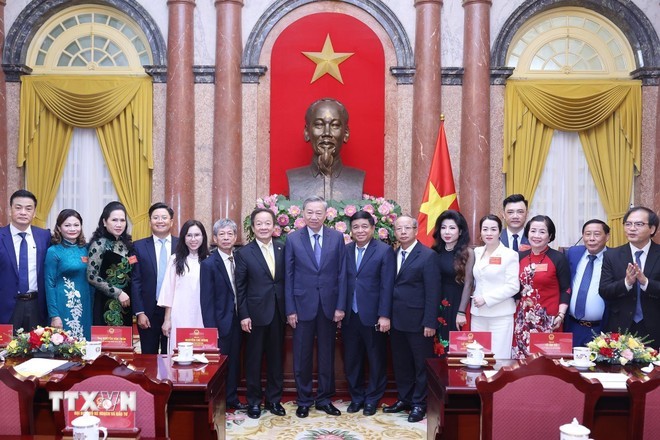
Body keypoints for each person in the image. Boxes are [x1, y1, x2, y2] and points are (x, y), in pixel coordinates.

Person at [285, 196, 347, 418]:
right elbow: (288, 276)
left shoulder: (337, 237)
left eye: (318, 213)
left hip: (329, 306)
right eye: (309, 212)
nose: (313, 217)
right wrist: (290, 309)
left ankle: (324, 399)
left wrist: (340, 306)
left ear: (326, 214)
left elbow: (342, 274)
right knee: (301, 355)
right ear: (303, 214)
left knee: (327, 354)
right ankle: (303, 400)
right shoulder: (292, 239)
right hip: (302, 306)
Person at [384, 215, 440, 423]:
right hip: (397, 321)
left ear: (416, 230)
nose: (403, 232)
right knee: (401, 363)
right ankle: (404, 399)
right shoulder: (393, 254)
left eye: (408, 227)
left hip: (419, 322)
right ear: (394, 232)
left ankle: (419, 403)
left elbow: (433, 292)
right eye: (399, 228)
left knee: (420, 364)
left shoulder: (427, 256)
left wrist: (430, 322)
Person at [235, 208, 287, 419]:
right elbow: (240, 287)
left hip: (278, 312)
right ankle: (254, 402)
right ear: (253, 227)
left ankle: (274, 400)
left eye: (268, 223)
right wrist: (244, 315)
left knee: (276, 359)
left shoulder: (283, 248)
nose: (264, 227)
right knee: (254, 360)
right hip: (254, 315)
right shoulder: (244, 253)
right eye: (259, 224)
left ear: (274, 226)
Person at [343, 210, 395, 416]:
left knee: (376, 359)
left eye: (365, 226)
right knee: (352, 359)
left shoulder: (384, 251)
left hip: (374, 316)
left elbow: (387, 285)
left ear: (373, 229)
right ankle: (356, 398)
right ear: (351, 230)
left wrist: (384, 315)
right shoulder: (345, 250)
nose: (360, 230)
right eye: (356, 227)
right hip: (350, 315)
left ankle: (372, 398)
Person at [200, 218, 247, 410]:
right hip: (221, 322)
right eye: (222, 234)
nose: (226, 238)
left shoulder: (241, 259)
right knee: (220, 364)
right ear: (215, 238)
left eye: (230, 234)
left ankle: (232, 397)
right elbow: (206, 300)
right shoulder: (209, 264)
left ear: (236, 237)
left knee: (235, 361)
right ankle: (218, 400)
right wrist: (212, 329)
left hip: (240, 319)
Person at [512, 215, 571, 359]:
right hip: (523, 319)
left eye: (542, 232)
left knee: (547, 363)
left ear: (550, 235)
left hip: (548, 320)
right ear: (527, 233)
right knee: (522, 362)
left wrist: (561, 315)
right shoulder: (519, 256)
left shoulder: (558, 258)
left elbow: (566, 289)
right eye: (533, 231)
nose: (536, 236)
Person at [600, 207, 660, 346]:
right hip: (621, 327)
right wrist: (626, 283)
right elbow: (604, 291)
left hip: (655, 326)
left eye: (638, 224)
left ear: (652, 229)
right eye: (628, 224)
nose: (632, 229)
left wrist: (645, 282)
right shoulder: (611, 255)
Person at [287, 98, 365, 201]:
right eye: (319, 125)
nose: (327, 133)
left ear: (346, 133)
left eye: (335, 125)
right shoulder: (294, 178)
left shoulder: (356, 178)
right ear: (307, 132)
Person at [470, 214, 519, 359]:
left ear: (500, 231)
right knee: (477, 357)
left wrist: (486, 298)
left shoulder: (510, 254)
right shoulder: (477, 252)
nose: (489, 233)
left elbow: (513, 286)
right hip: (478, 314)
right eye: (485, 229)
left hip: (501, 315)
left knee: (498, 359)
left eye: (493, 229)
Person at [0, 190, 51, 330]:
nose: (23, 212)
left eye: (28, 208)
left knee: (38, 349)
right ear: (10, 210)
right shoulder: (1, 236)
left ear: (34, 213)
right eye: (18, 207)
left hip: (36, 305)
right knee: (5, 349)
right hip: (5, 307)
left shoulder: (45, 236)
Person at [132, 203, 178, 354]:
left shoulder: (181, 246)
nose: (160, 221)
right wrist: (139, 312)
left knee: (171, 355)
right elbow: (136, 281)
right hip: (148, 312)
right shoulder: (138, 246)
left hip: (174, 310)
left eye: (164, 218)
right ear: (150, 221)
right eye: (156, 217)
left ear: (171, 221)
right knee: (148, 356)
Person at [158, 220, 209, 354]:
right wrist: (167, 320)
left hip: (203, 315)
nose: (193, 239)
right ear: (183, 238)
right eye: (189, 235)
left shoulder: (210, 260)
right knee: (179, 354)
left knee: (201, 354)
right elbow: (168, 292)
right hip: (180, 315)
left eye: (197, 235)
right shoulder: (175, 260)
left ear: (203, 237)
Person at [45, 209, 92, 340]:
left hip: (86, 304)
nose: (72, 229)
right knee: (66, 347)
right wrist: (54, 315)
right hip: (64, 306)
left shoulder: (87, 249)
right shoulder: (53, 251)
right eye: (67, 225)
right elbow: (49, 284)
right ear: (59, 228)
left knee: (86, 345)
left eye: (76, 225)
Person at [87, 201, 134, 326]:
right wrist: (118, 293)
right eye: (114, 220)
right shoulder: (99, 244)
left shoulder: (127, 244)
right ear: (104, 222)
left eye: (122, 220)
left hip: (126, 304)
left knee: (125, 343)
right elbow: (92, 276)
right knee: (108, 342)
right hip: (105, 304)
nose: (119, 224)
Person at [566, 220, 610, 347]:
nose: (591, 239)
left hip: (600, 328)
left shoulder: (614, 257)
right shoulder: (573, 253)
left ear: (607, 236)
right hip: (572, 326)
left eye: (596, 234)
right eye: (587, 234)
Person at [432, 210, 474, 341]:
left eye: (452, 228)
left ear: (460, 231)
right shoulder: (434, 251)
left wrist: (461, 312)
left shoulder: (467, 253)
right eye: (443, 228)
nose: (447, 232)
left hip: (457, 303)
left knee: (455, 345)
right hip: (436, 303)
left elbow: (469, 284)